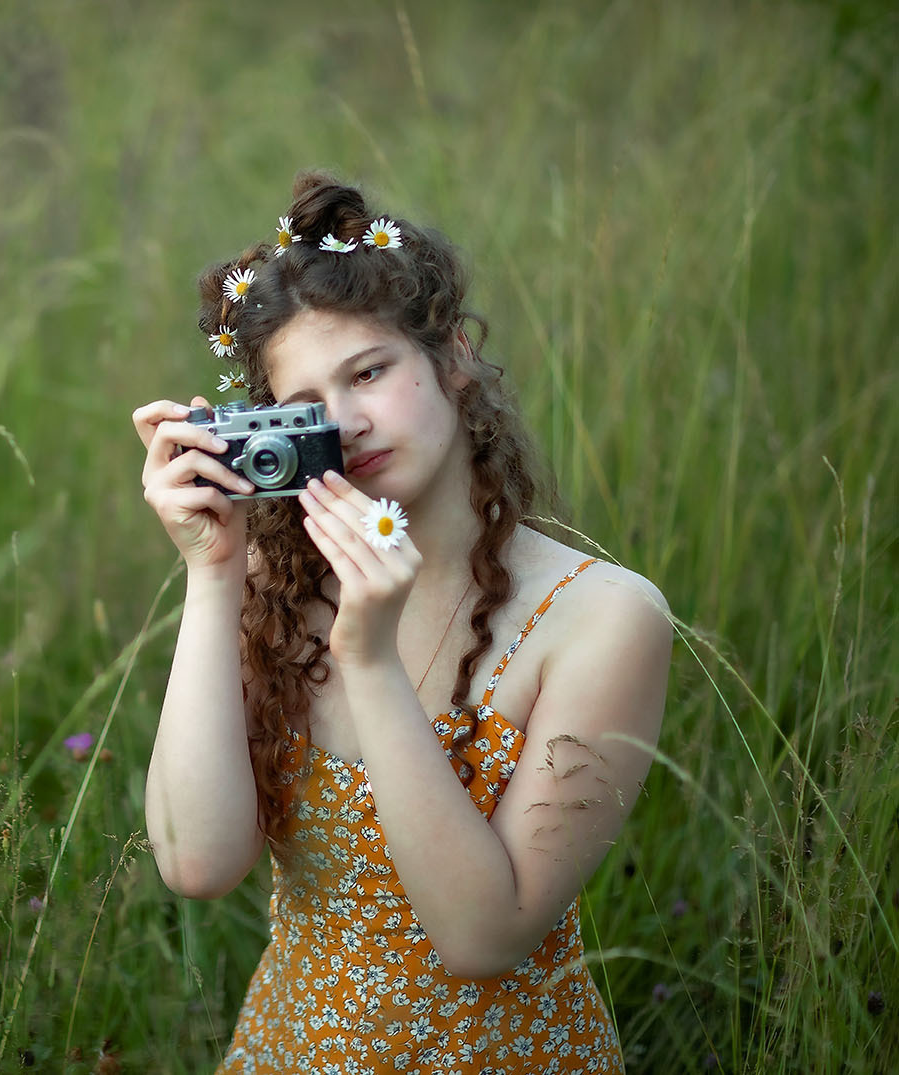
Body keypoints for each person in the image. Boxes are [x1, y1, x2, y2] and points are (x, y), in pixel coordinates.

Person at [132, 171, 671, 1074]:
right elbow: (196, 862)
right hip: (290, 1050)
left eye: (370, 372)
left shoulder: (603, 618)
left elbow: (481, 937)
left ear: (452, 356)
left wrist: (369, 661)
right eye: (305, 405)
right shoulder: (272, 584)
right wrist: (212, 571)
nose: (343, 423)